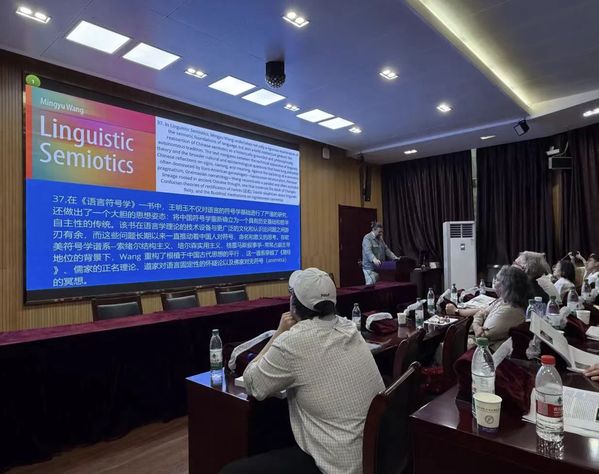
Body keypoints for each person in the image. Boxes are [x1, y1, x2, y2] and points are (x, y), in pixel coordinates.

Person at [221, 268, 384, 474]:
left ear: (293, 305)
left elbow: (253, 384)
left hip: (337, 464)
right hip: (375, 454)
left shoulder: (293, 342)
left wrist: (279, 333)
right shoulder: (349, 327)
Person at [468, 265, 528, 352]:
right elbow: (481, 312)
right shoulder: (503, 300)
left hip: (487, 350)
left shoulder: (511, 310)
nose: (494, 283)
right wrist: (476, 326)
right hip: (481, 342)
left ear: (506, 286)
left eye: (497, 280)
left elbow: (482, 335)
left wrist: (476, 325)